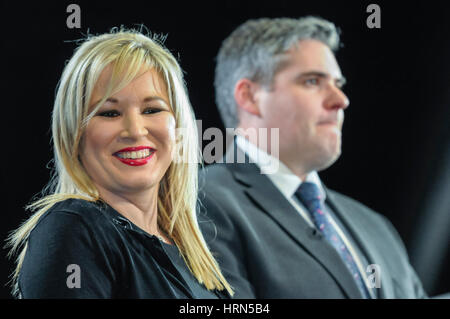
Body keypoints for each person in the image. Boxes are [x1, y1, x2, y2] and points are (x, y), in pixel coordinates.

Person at [198, 16, 427, 298]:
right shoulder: (198, 202)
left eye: (338, 83)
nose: (341, 100)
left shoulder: (375, 226)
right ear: (250, 97)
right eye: (312, 81)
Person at [6, 28, 233, 299]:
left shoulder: (194, 255)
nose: (135, 131)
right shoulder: (74, 228)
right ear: (75, 135)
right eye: (110, 113)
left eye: (152, 110)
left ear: (179, 127)